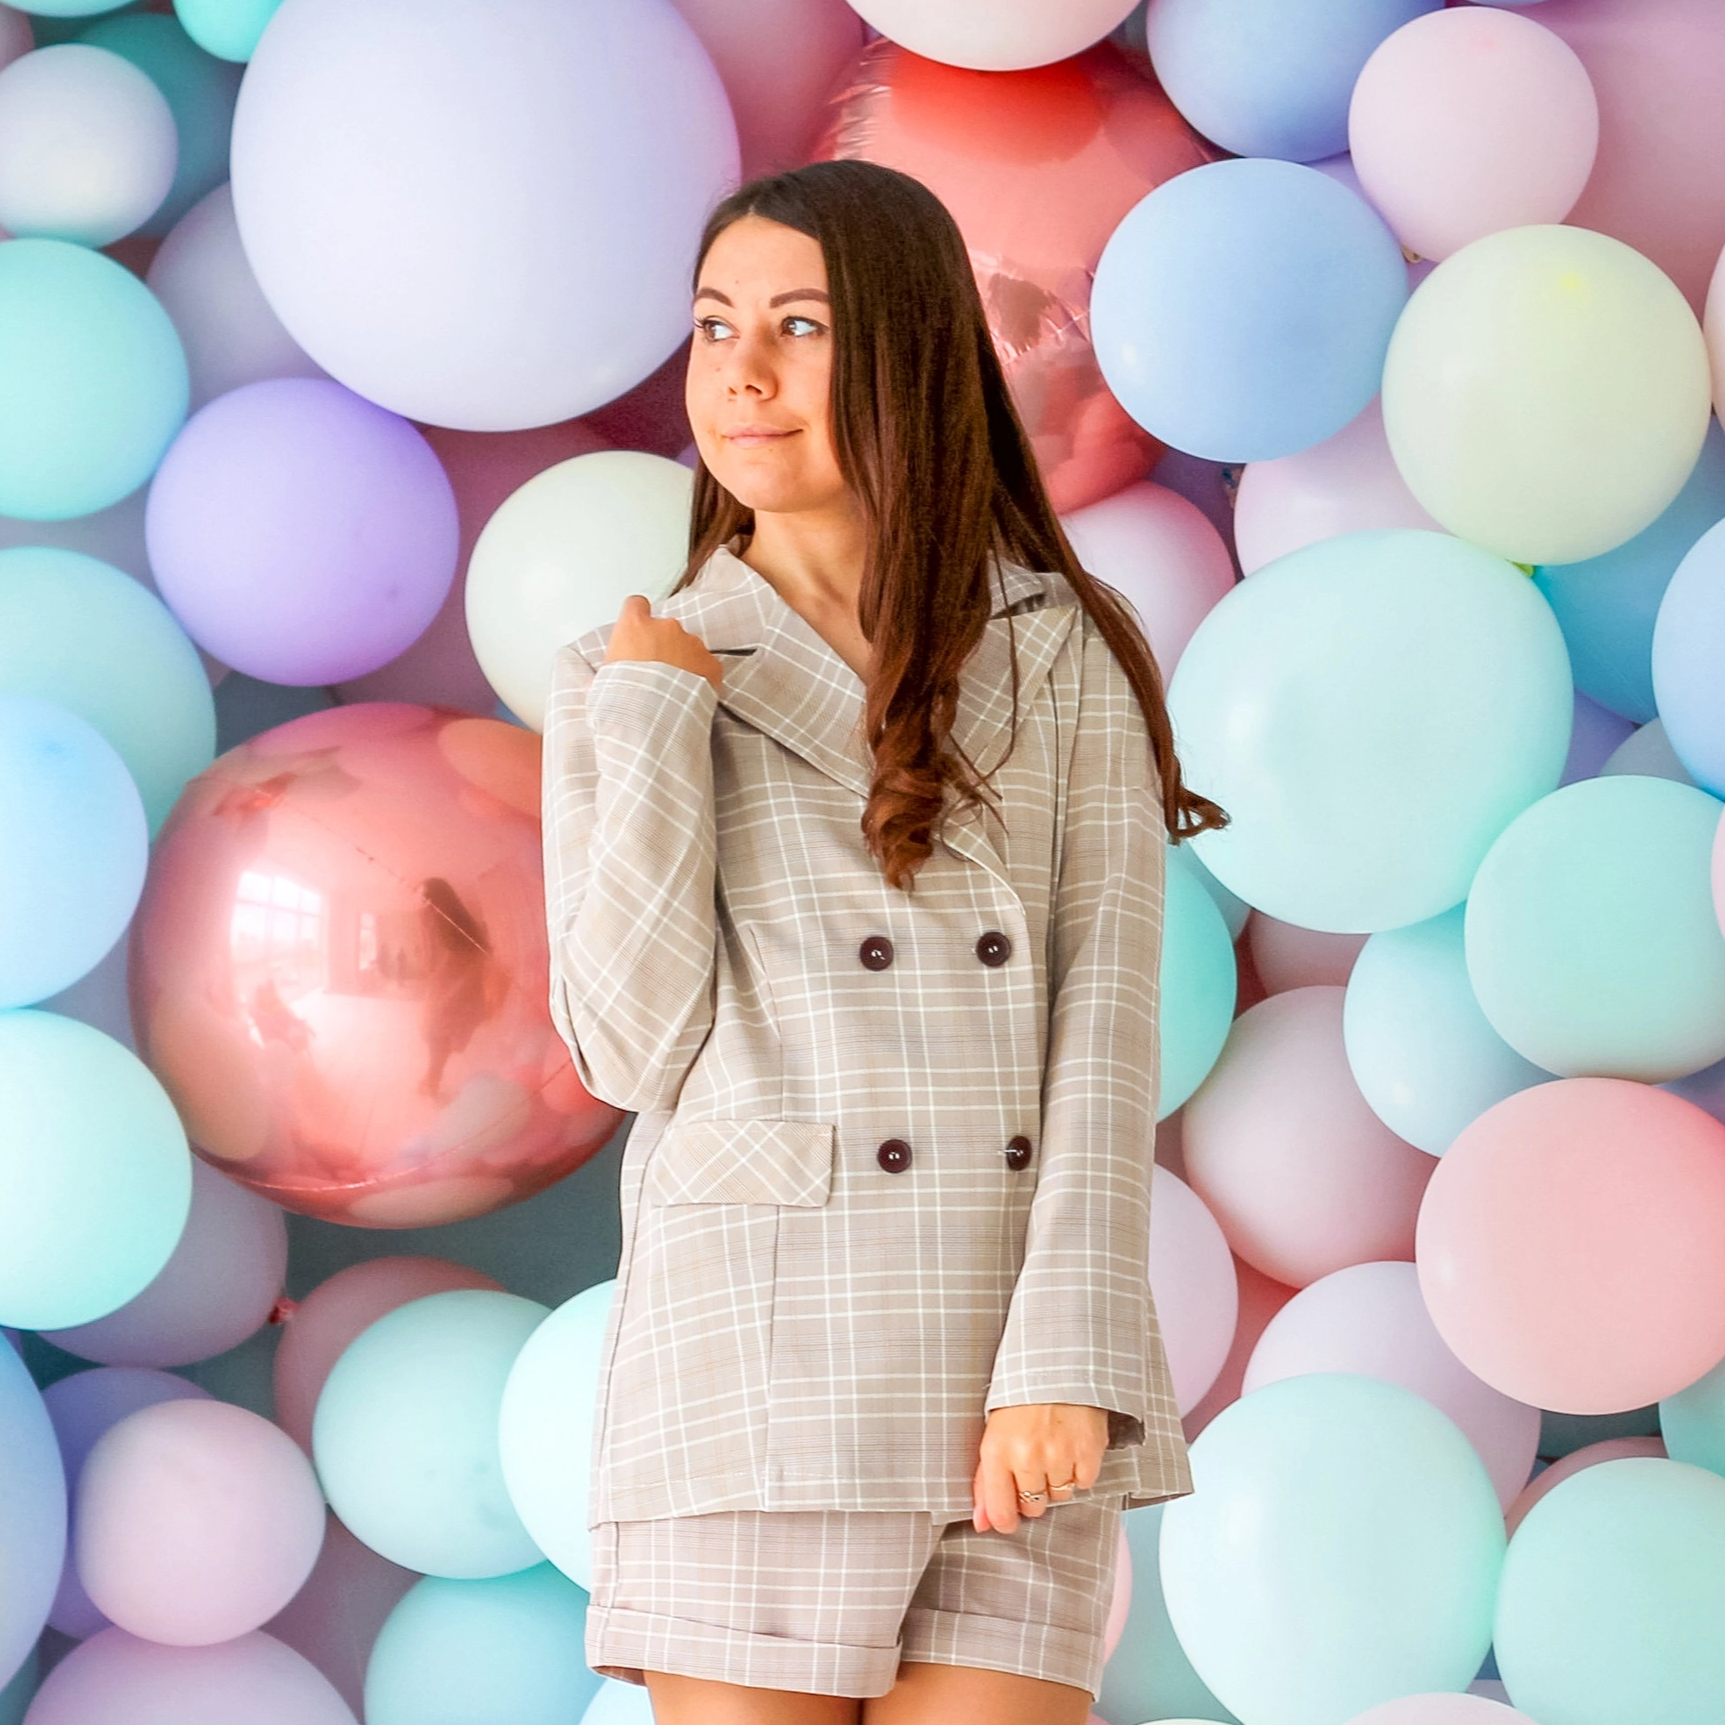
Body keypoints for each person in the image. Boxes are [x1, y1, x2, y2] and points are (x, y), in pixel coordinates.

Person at [541, 159, 1226, 1725]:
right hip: (756, 1365)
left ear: (907, 351)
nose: (743, 373)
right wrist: (657, 722)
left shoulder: (1057, 649)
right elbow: (628, 1048)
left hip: (1009, 1368)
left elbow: (1106, 1030)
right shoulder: (624, 672)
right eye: (714, 327)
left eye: (798, 326)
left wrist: (1069, 1353)